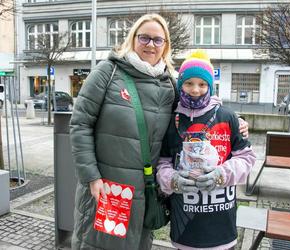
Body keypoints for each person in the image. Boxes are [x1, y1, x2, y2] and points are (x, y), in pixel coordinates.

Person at [70, 13, 249, 250]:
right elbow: (81, 124)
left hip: (146, 193)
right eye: (144, 38)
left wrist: (232, 118)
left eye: (158, 40)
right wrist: (91, 177)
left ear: (165, 45)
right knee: (100, 244)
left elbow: (196, 102)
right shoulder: (108, 72)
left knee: (137, 244)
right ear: (133, 39)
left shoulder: (168, 83)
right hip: (109, 188)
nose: (150, 45)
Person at [156, 49, 256, 250]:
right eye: (189, 83)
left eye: (202, 84)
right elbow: (162, 163)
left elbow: (247, 159)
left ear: (210, 85)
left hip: (221, 227)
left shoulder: (227, 117)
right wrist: (172, 180)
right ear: (180, 84)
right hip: (185, 228)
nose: (195, 90)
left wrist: (221, 174)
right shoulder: (172, 119)